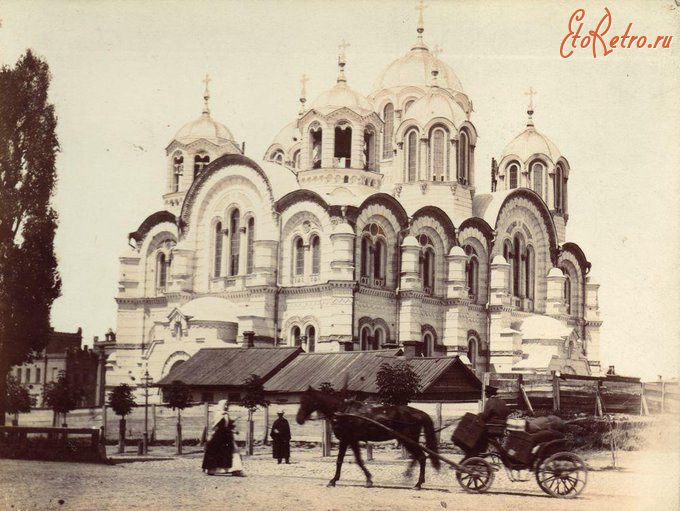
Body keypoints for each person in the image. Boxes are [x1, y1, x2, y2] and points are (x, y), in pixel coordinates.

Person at [202, 410, 234, 475]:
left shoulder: (227, 415)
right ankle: (209, 469)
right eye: (225, 404)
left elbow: (228, 425)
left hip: (225, 437)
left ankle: (223, 469)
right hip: (217, 436)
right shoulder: (219, 415)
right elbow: (215, 426)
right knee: (213, 451)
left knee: (225, 452)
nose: (226, 406)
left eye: (227, 404)